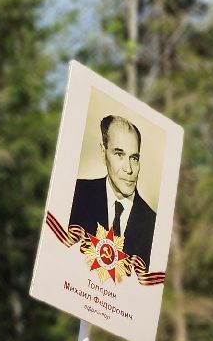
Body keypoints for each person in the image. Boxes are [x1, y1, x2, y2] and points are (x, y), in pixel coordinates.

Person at [66, 115, 156, 271]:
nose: (128, 169)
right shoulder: (75, 193)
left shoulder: (153, 224)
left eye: (134, 158)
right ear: (103, 152)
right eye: (119, 154)